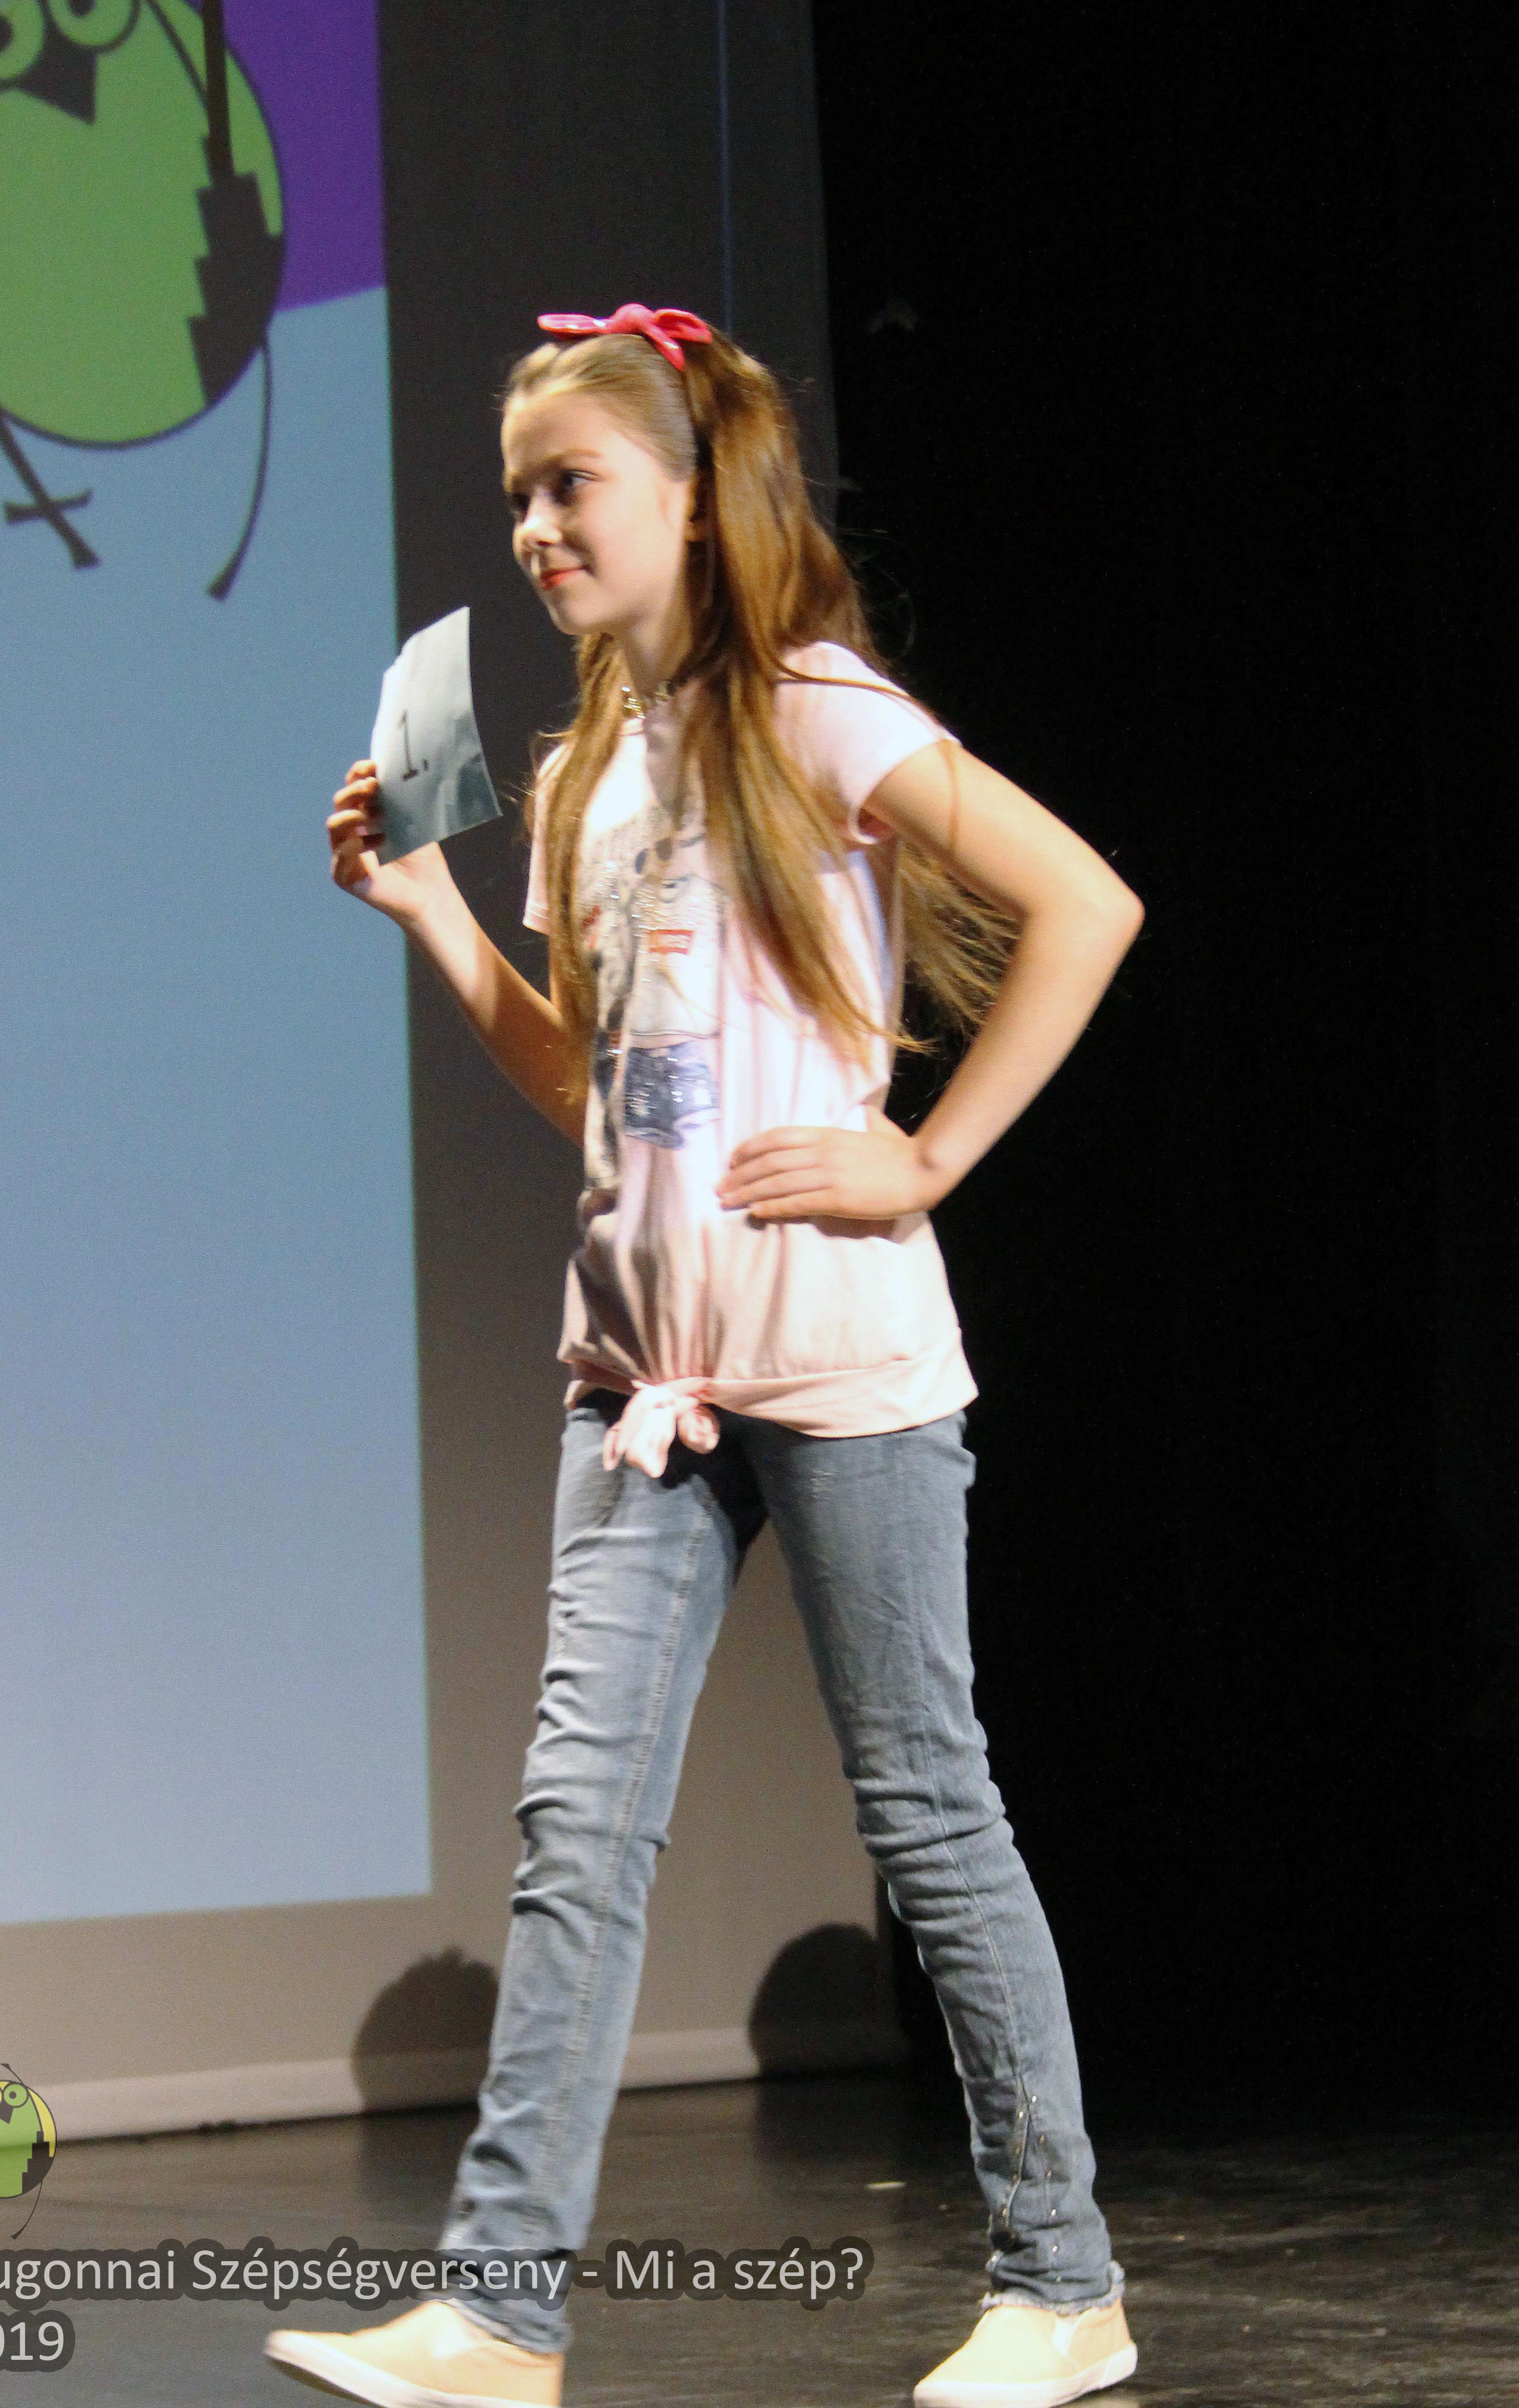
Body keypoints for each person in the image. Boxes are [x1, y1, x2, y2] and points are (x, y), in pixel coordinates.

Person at [265, 303, 1144, 2408]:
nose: (537, 529)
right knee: (575, 1826)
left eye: (571, 485)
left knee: (926, 1805)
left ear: (687, 492)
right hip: (642, 1381)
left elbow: (1087, 904)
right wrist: (436, 917)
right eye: (520, 498)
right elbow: (591, 1081)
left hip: (833, 1359)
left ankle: (1065, 2282)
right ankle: (499, 2314)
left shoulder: (815, 712)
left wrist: (923, 1154)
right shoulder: (583, 768)